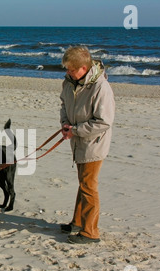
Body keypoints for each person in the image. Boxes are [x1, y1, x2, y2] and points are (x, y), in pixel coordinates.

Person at [59, 46, 115, 244]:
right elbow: (63, 105)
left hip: (94, 143)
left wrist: (75, 130)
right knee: (84, 183)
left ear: (83, 68)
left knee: (89, 186)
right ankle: (77, 222)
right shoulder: (68, 83)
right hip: (77, 140)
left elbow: (104, 122)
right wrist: (65, 124)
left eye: (71, 69)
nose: (67, 72)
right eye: (66, 69)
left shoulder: (101, 87)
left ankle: (91, 232)